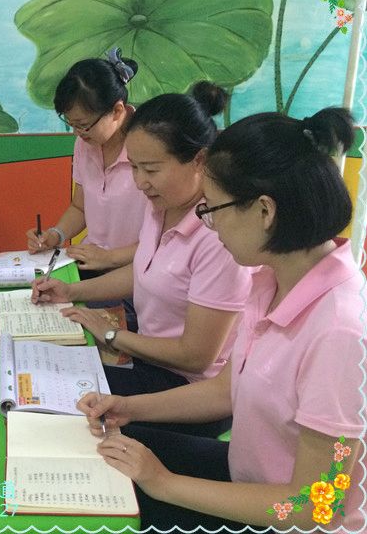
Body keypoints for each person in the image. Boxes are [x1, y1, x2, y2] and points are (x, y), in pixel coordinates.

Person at [77, 108, 364, 532]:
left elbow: (314, 506)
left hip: (283, 518)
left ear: (264, 211)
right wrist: (127, 408)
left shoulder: (341, 332)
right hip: (245, 474)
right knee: (95, 451)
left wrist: (164, 483)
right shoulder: (271, 280)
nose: (210, 226)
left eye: (213, 210)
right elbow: (224, 390)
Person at [34, 83, 251, 437]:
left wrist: (111, 334)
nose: (140, 182)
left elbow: (196, 357)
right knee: (47, 374)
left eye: (150, 170)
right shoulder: (161, 206)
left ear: (199, 160)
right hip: (149, 360)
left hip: (187, 389)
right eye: (134, 167)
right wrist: (70, 291)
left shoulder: (219, 237)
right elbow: (142, 273)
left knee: (61, 404)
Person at [26, 49, 147, 281]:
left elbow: (165, 238)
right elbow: (80, 207)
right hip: (91, 264)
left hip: (137, 273)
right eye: (70, 123)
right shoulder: (85, 144)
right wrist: (55, 235)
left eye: (83, 125)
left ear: (117, 111)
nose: (77, 133)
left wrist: (110, 257)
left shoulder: (149, 148)